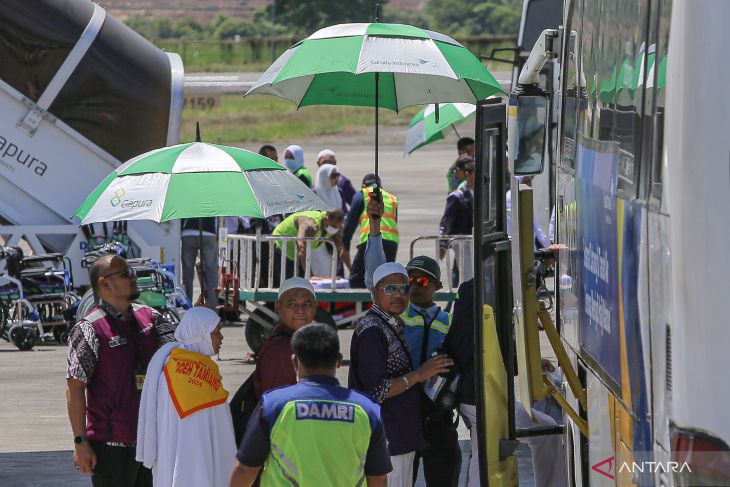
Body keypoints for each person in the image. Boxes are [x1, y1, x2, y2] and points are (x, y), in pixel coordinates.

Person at [363, 206, 461, 485]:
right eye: (408, 281)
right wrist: (374, 226)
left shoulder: (448, 320)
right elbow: (375, 274)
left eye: (421, 280)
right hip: (403, 412)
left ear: (438, 286)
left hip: (437, 417)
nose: (413, 287)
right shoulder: (395, 312)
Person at [231, 323, 392, 487]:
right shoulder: (367, 410)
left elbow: (245, 470)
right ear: (339, 361)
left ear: (294, 362)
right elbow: (378, 478)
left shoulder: (273, 405)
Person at [445, 278, 568, 487]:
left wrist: (530, 361)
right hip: (484, 397)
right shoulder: (485, 309)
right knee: (545, 432)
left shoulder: (472, 303)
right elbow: (492, 354)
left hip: (477, 395)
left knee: (482, 457)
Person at [66, 255, 175, 487]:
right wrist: (80, 443)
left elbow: (183, 351)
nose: (133, 277)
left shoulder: (151, 318)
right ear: (105, 283)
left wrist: (199, 316)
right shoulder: (88, 329)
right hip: (110, 449)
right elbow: (75, 388)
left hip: (151, 443)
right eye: (126, 273)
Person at [349, 254, 453, 486]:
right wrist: (420, 374)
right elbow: (377, 391)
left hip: (404, 432)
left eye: (403, 288)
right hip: (387, 436)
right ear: (374, 292)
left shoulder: (392, 322)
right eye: (390, 288)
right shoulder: (373, 331)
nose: (399, 294)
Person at [136, 307, 235, 487]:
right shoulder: (182, 375)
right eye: (216, 332)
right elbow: (192, 450)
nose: (221, 338)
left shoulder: (192, 365)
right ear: (201, 335)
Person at [253, 278, 317, 397]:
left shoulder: (303, 340)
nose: (300, 310)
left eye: (307, 304)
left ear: (315, 307)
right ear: (279, 307)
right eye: (292, 304)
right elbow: (277, 404)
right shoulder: (280, 351)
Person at [344, 173, 399, 288]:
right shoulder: (392, 198)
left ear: (363, 185)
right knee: (384, 280)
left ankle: (362, 305)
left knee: (356, 280)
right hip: (391, 242)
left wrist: (345, 247)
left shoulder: (362, 194)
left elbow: (349, 225)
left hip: (371, 239)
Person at [271, 209, 347, 280]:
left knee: (301, 285)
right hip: (281, 245)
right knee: (288, 285)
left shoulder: (334, 226)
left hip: (295, 252)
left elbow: (341, 249)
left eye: (338, 227)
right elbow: (301, 250)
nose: (335, 229)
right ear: (326, 219)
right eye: (334, 226)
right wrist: (311, 275)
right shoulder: (310, 225)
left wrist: (351, 270)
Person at [439, 159, 475, 286]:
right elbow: (446, 221)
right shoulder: (457, 196)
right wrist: (442, 244)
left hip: (476, 241)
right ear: (468, 174)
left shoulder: (483, 194)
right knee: (468, 275)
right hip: (462, 241)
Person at [181, 217, 218, 308]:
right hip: (209, 233)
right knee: (211, 273)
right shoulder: (213, 201)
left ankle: (187, 306)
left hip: (188, 232)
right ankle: (212, 307)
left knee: (187, 274)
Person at [506, 176, 551, 250]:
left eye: (530, 181)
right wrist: (549, 247)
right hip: (524, 249)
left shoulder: (510, 195)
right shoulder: (520, 197)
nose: (529, 184)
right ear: (519, 182)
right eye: (526, 181)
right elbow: (536, 227)